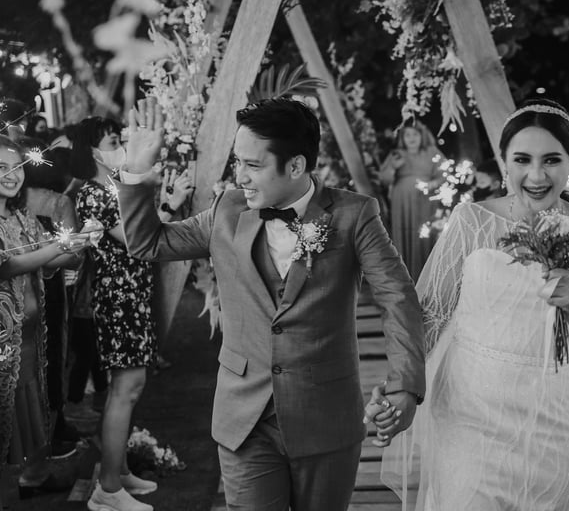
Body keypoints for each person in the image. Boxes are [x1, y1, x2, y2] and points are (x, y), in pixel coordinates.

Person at [115, 97, 425, 511]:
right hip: (245, 420)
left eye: (253, 165)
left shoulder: (355, 214)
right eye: (237, 162)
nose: (239, 176)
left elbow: (397, 297)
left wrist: (405, 386)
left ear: (295, 166)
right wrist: (136, 173)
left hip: (326, 417)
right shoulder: (226, 210)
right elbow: (148, 243)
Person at [378, 99, 569, 510]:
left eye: (552, 160)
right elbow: (430, 317)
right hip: (468, 413)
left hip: (554, 417)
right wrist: (400, 384)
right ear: (504, 161)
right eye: (522, 159)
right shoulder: (471, 221)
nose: (536, 175)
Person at [71, 117, 162, 511]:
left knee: (127, 389)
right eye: (113, 141)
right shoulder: (94, 194)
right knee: (127, 387)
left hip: (132, 295)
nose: (121, 146)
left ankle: (119, 471)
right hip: (119, 297)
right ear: (94, 152)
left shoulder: (111, 188)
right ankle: (107, 489)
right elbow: (136, 237)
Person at [0, 135, 90, 507]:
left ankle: (33, 476)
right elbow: (7, 265)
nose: (11, 175)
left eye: (16, 167)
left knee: (32, 409)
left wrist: (77, 248)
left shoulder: (20, 215)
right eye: (1, 168)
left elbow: (47, 260)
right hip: (3, 343)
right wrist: (58, 247)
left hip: (30, 336)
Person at [380, 120, 444, 282]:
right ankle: (407, 279)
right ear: (402, 138)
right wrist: (393, 167)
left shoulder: (431, 151)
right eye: (407, 135)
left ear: (422, 136)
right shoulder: (397, 154)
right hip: (402, 202)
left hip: (426, 200)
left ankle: (428, 278)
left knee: (424, 234)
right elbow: (384, 180)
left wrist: (434, 183)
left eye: (415, 134)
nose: (411, 138)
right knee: (405, 232)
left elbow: (444, 173)